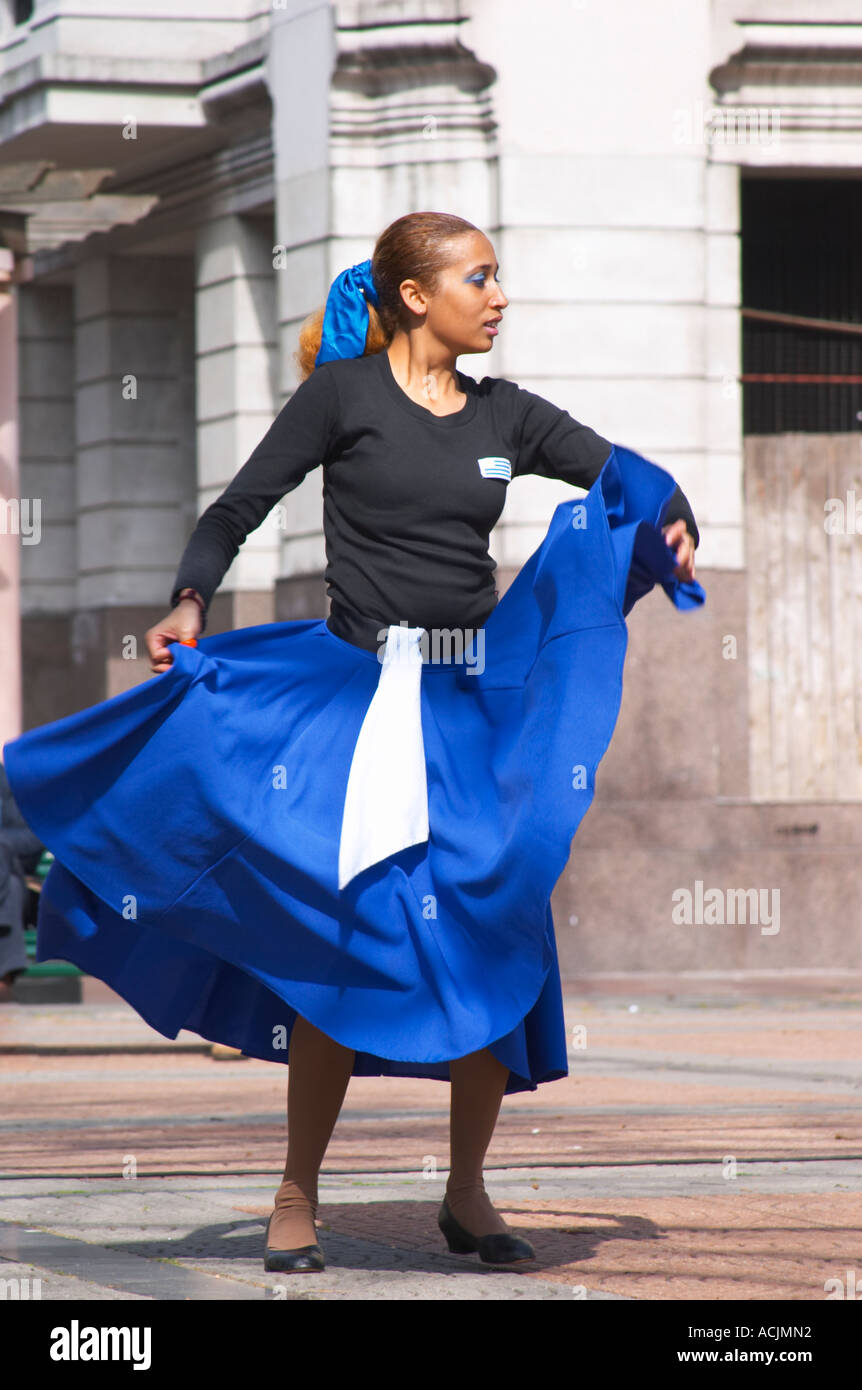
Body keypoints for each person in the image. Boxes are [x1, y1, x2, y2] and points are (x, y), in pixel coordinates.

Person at [3, 211, 704, 1276]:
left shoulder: (505, 414)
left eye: (499, 277)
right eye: (481, 278)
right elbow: (238, 508)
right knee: (344, 943)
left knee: (491, 933)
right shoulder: (343, 397)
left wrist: (672, 514)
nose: (499, 295)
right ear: (416, 296)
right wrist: (191, 599)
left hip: (467, 709)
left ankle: (466, 1193)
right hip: (352, 698)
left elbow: (624, 477)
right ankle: (296, 1193)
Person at [0, 760, 44, 995]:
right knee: (14, 888)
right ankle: (4, 974)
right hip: (9, 893)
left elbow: (32, 837)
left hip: (8, 874)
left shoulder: (6, 781)